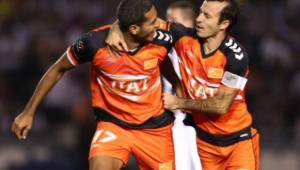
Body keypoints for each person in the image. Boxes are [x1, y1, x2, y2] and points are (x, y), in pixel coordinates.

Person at [11, 0, 176, 170]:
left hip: (154, 129)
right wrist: (28, 112)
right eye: (153, 21)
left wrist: (180, 91)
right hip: (114, 126)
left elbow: (167, 63)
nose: (159, 23)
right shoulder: (94, 43)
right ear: (134, 28)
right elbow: (57, 68)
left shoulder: (162, 40)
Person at [107, 0, 260, 169]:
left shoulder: (235, 57)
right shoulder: (183, 37)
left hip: (238, 142)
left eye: (207, 16)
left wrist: (179, 102)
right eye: (201, 12)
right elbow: (139, 21)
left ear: (224, 23)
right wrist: (116, 27)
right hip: (206, 144)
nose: (199, 19)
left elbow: (221, 105)